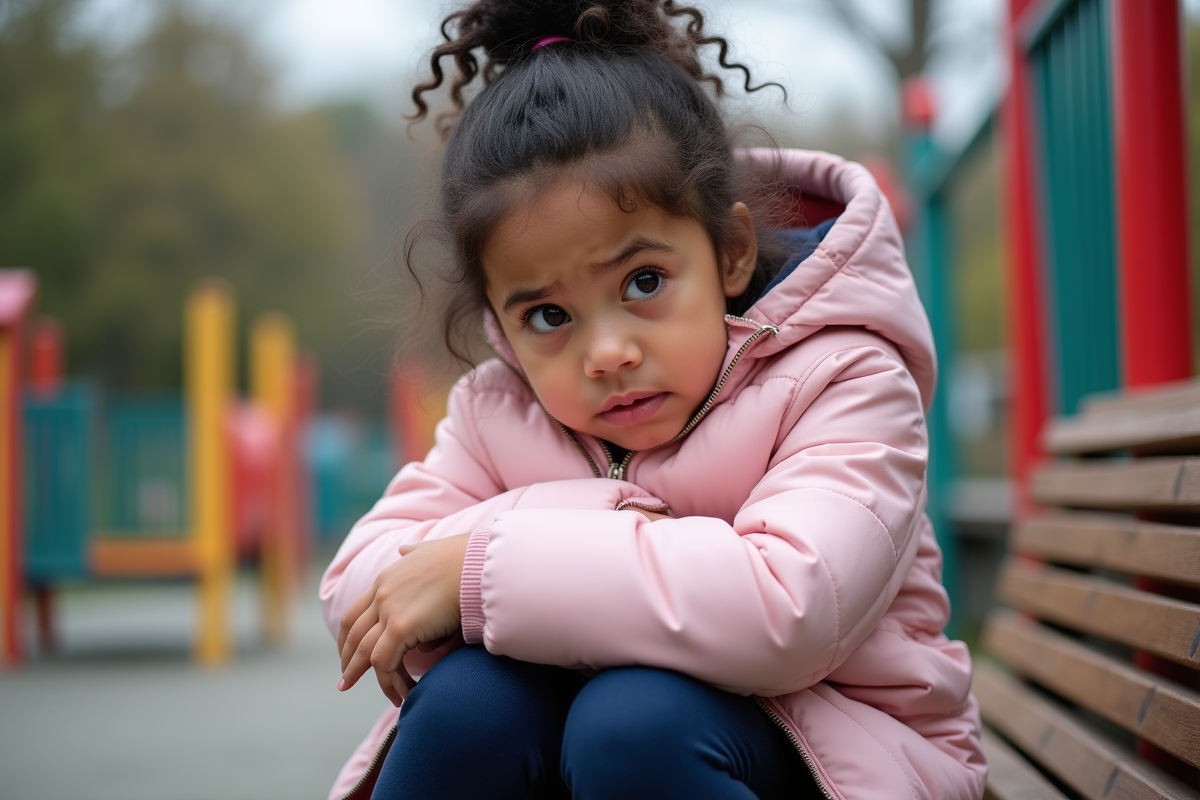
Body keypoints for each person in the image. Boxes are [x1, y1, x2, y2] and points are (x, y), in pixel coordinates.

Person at [321, 1, 986, 798]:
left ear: (731, 252)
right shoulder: (500, 411)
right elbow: (365, 584)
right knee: (468, 707)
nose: (606, 353)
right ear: (499, 320)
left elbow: (791, 609)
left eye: (643, 283)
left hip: (842, 757)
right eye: (548, 316)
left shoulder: (843, 379)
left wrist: (481, 566)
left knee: (632, 719)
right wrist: (575, 530)